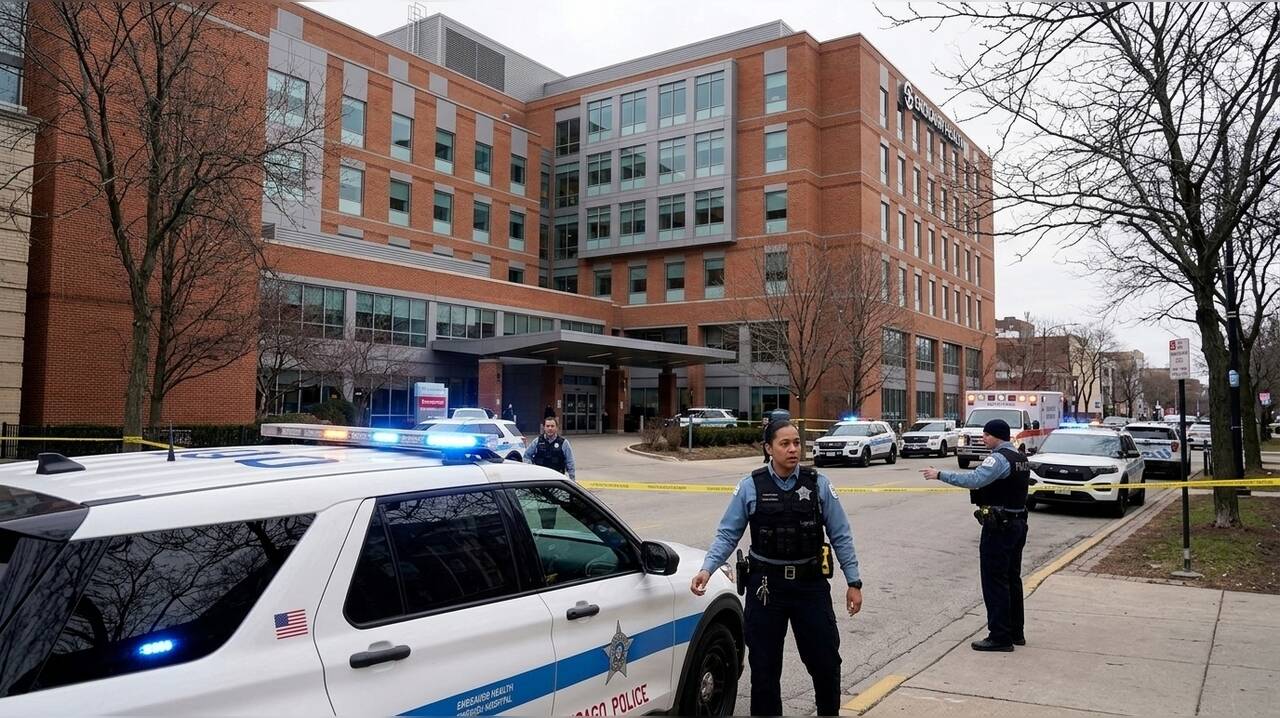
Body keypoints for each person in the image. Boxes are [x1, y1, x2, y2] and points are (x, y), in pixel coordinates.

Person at [691, 419, 863, 716]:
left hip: (810, 587)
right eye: (785, 444)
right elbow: (728, 534)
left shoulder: (818, 484)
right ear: (769, 448)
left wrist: (854, 582)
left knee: (825, 661)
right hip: (766, 589)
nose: (793, 449)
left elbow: (841, 534)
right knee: (764, 668)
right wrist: (708, 569)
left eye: (797, 442)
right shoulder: (750, 487)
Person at [920, 418, 1029, 652]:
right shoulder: (1020, 457)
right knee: (1012, 579)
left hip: (1000, 527)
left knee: (995, 581)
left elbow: (974, 479)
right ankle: (1015, 632)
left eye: (986, 435)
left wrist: (939, 474)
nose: (983, 438)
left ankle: (1000, 636)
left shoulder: (998, 459)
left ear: (996, 436)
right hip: (1017, 523)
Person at [524, 416, 575, 481]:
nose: (550, 428)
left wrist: (572, 479)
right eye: (547, 426)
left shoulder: (564, 443)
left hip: (557, 479)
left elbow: (570, 462)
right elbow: (526, 456)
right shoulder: (537, 441)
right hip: (540, 478)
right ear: (544, 428)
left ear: (556, 428)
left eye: (552, 426)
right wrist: (532, 469)